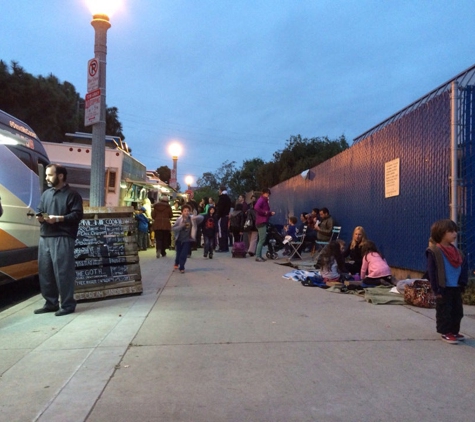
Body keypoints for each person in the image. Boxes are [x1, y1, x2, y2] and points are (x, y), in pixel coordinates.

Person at [34, 164, 83, 316]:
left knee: (63, 272)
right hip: (45, 236)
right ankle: (51, 303)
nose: (47, 178)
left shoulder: (72, 194)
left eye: (50, 175)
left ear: (60, 176)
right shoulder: (46, 194)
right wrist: (41, 218)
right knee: (45, 272)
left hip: (63, 237)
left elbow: (77, 215)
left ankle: (68, 305)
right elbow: (41, 210)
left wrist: (59, 219)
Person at [426, 219, 468, 344]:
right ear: (441, 233)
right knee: (445, 311)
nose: (455, 234)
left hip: (456, 287)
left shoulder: (458, 252)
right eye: (451, 231)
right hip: (443, 288)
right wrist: (436, 289)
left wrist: (462, 283)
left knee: (457, 311)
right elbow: (432, 272)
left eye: (455, 231)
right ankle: (445, 332)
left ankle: (454, 331)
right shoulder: (434, 252)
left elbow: (463, 268)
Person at [254, 188, 275, 262]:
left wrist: (269, 213)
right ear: (263, 193)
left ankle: (259, 255)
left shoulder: (263, 200)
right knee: (262, 240)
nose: (268, 195)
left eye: (268, 193)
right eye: (267, 193)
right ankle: (258, 256)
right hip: (261, 221)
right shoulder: (262, 200)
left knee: (261, 239)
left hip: (261, 221)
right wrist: (265, 213)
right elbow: (256, 207)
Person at [172, 204, 193, 273]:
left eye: (188, 211)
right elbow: (174, 228)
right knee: (178, 254)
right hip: (179, 239)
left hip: (187, 240)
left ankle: (182, 267)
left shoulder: (191, 219)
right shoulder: (179, 219)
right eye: (185, 211)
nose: (187, 212)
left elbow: (200, 219)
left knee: (183, 254)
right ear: (182, 212)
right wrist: (181, 226)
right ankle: (176, 262)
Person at [215, 186, 232, 252]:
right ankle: (226, 247)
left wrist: (218, 216)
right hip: (226, 216)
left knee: (221, 232)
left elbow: (220, 209)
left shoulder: (222, 198)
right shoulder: (228, 198)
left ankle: (222, 247)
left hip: (221, 217)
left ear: (221, 190)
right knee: (225, 232)